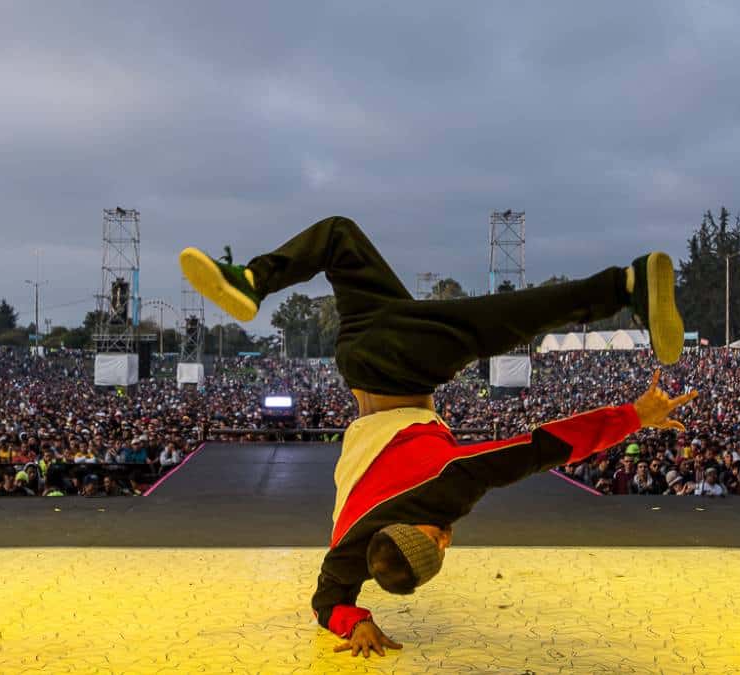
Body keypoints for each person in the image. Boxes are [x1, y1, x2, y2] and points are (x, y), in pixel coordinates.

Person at [181, 216, 690, 658]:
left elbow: (542, 447)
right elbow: (327, 604)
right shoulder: (351, 546)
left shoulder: (447, 488)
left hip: (400, 369)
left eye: (439, 540)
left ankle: (626, 286)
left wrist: (634, 416)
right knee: (338, 236)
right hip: (359, 352)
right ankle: (251, 279)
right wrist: (353, 620)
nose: (445, 536)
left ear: (440, 540)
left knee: (498, 322)